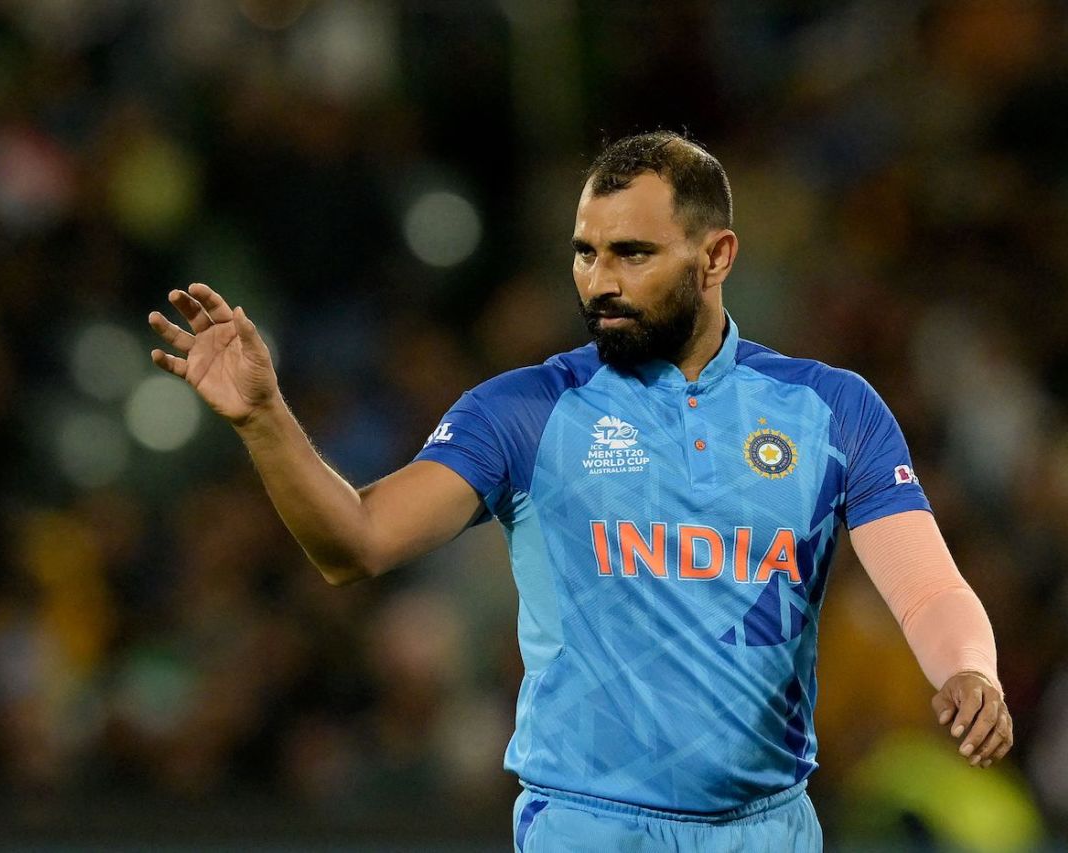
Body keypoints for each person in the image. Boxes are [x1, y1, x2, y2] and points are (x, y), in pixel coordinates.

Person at [147, 130, 1013, 851]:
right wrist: (265, 420)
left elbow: (928, 585)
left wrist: (969, 669)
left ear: (716, 257)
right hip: (589, 828)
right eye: (586, 253)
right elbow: (357, 542)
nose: (601, 281)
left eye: (632, 253)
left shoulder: (830, 409)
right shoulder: (527, 411)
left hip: (767, 830)